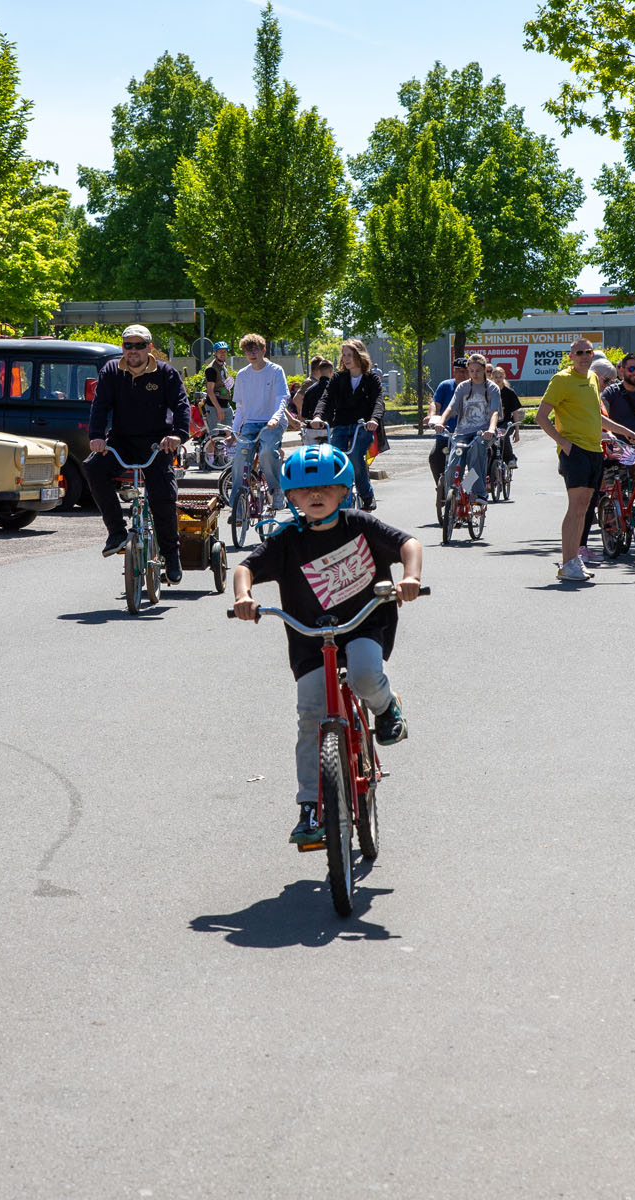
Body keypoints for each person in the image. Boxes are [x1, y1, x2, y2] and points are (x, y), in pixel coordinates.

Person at [232, 444, 423, 845]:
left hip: (363, 622)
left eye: (326, 488)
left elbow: (409, 543)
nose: (315, 496)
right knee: (310, 714)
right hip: (308, 635)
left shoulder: (359, 525)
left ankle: (386, 708)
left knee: (366, 673)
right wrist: (243, 598)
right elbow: (245, 567)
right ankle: (311, 806)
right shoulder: (287, 540)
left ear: (343, 491)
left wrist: (411, 576)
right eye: (304, 491)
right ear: (292, 497)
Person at [81, 324, 191, 581]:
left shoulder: (166, 373)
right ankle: (116, 532)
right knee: (92, 466)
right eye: (128, 345)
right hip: (121, 440)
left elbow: (181, 404)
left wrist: (178, 435)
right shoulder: (111, 370)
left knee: (163, 496)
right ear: (123, 348)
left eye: (139, 345)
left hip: (157, 442)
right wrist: (96, 436)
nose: (133, 351)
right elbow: (100, 405)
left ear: (149, 348)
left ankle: (171, 556)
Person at [534, 338, 635, 582]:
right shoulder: (562, 379)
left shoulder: (593, 379)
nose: (584, 356)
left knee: (584, 508)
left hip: (595, 449)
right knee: (576, 507)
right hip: (575, 451)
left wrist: (625, 431)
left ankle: (574, 561)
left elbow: (597, 418)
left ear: (593, 355)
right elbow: (541, 417)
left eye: (588, 352)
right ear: (571, 356)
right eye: (579, 352)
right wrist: (564, 444)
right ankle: (567, 563)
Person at [309, 339, 387, 511]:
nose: (346, 359)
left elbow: (379, 401)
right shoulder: (338, 377)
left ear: (359, 356)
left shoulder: (371, 378)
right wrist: (318, 416)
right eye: (344, 355)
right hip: (341, 425)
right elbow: (326, 398)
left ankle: (366, 495)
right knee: (334, 459)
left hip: (363, 426)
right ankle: (336, 496)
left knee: (355, 457)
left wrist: (374, 420)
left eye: (349, 355)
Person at [228, 332, 291, 514]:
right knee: (240, 457)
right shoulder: (242, 375)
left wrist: (276, 418)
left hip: (272, 422)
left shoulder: (276, 370)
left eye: (255, 350)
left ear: (263, 350)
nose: (252, 354)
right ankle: (237, 501)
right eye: (248, 352)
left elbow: (282, 398)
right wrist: (234, 431)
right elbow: (239, 406)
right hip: (250, 423)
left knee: (267, 452)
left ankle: (276, 490)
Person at [427, 353, 500, 502]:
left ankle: (479, 493)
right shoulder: (463, 387)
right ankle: (453, 496)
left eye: (478, 371)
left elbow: (494, 412)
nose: (474, 374)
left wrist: (491, 429)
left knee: (476, 456)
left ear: (485, 369)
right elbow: (450, 408)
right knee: (453, 465)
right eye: (471, 371)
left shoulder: (492, 388)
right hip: (462, 431)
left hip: (482, 432)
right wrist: (441, 422)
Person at [489, 364, 524, 470]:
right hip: (492, 423)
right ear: (492, 378)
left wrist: (517, 432)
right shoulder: (489, 392)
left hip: (506, 423)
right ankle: (490, 465)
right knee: (488, 441)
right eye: (496, 377)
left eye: (500, 377)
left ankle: (510, 459)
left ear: (504, 377)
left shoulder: (509, 393)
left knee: (502, 434)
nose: (498, 379)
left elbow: (515, 413)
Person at [201, 342, 232, 429]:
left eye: (225, 351)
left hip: (225, 403)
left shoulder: (223, 365)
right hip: (214, 406)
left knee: (230, 433)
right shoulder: (211, 369)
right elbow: (210, 391)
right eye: (220, 352)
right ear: (215, 353)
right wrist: (218, 409)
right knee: (214, 434)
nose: (223, 354)